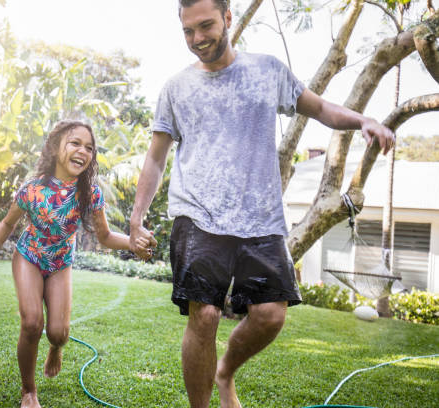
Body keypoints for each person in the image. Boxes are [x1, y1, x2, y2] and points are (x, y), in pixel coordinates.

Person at [128, 1, 396, 407]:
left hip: (260, 217)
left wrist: (364, 121)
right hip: (197, 214)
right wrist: (136, 217)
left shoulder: (266, 70)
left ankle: (225, 372)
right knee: (204, 316)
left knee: (271, 314)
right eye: (188, 31)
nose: (198, 39)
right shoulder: (176, 87)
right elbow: (156, 156)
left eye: (206, 26)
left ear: (228, 19)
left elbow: (321, 108)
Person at [0, 120, 151, 408]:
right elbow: (6, 224)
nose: (83, 151)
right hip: (28, 256)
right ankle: (29, 392)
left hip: (60, 263)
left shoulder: (89, 193)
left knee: (57, 332)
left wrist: (132, 242)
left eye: (89, 147)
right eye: (75, 143)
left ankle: (56, 348)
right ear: (55, 148)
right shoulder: (32, 190)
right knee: (31, 323)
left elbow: (104, 236)